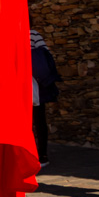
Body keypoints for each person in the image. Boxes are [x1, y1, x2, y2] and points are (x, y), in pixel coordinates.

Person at [31, 27, 61, 167]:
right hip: (37, 84)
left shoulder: (11, 35)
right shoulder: (33, 34)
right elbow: (46, 55)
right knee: (39, 121)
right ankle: (41, 155)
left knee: (34, 121)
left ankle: (35, 154)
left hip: (29, 84)